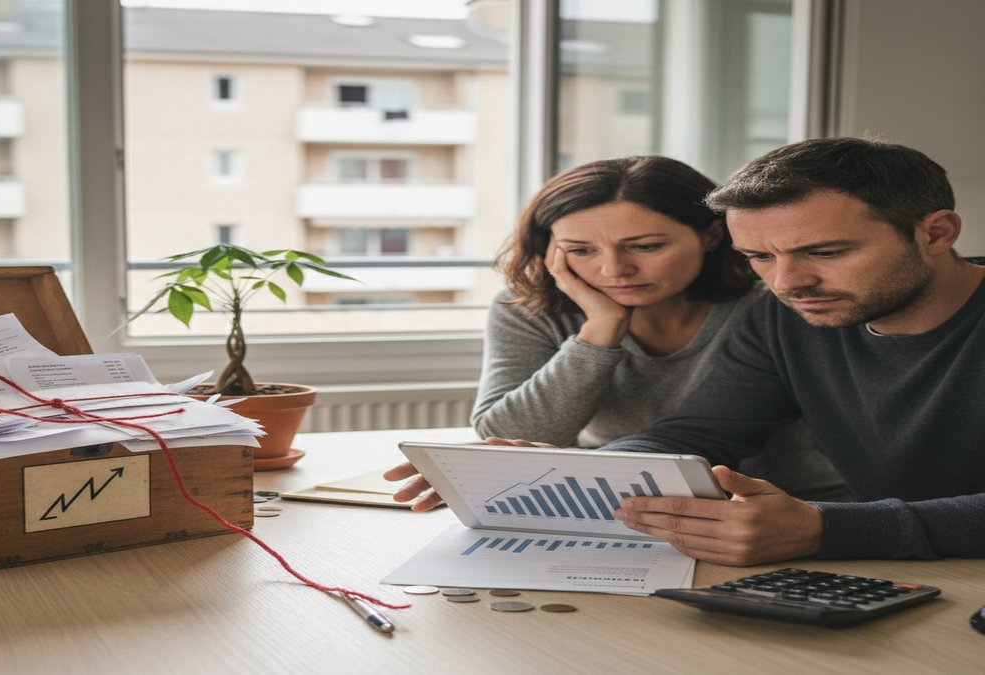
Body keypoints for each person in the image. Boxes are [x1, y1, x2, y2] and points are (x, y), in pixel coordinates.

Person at [386, 155, 847, 510]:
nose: (614, 270)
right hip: (613, 501)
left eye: (645, 246)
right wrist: (599, 331)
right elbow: (506, 435)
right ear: (550, 251)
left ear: (712, 235)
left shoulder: (780, 303)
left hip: (786, 505)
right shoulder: (530, 307)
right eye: (581, 250)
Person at [604, 136, 985, 565]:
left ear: (936, 234)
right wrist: (591, 470)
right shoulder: (784, 319)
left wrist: (825, 528)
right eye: (759, 256)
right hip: (909, 570)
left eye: (826, 252)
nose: (787, 283)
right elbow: (696, 435)